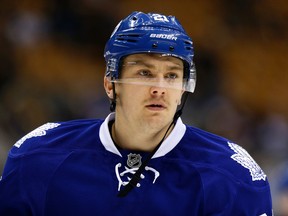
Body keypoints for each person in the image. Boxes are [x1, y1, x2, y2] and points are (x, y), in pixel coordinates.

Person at [0, 11, 273, 215]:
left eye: (172, 75)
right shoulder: (37, 158)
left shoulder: (233, 177)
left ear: (183, 88)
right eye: (144, 73)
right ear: (110, 83)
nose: (159, 88)